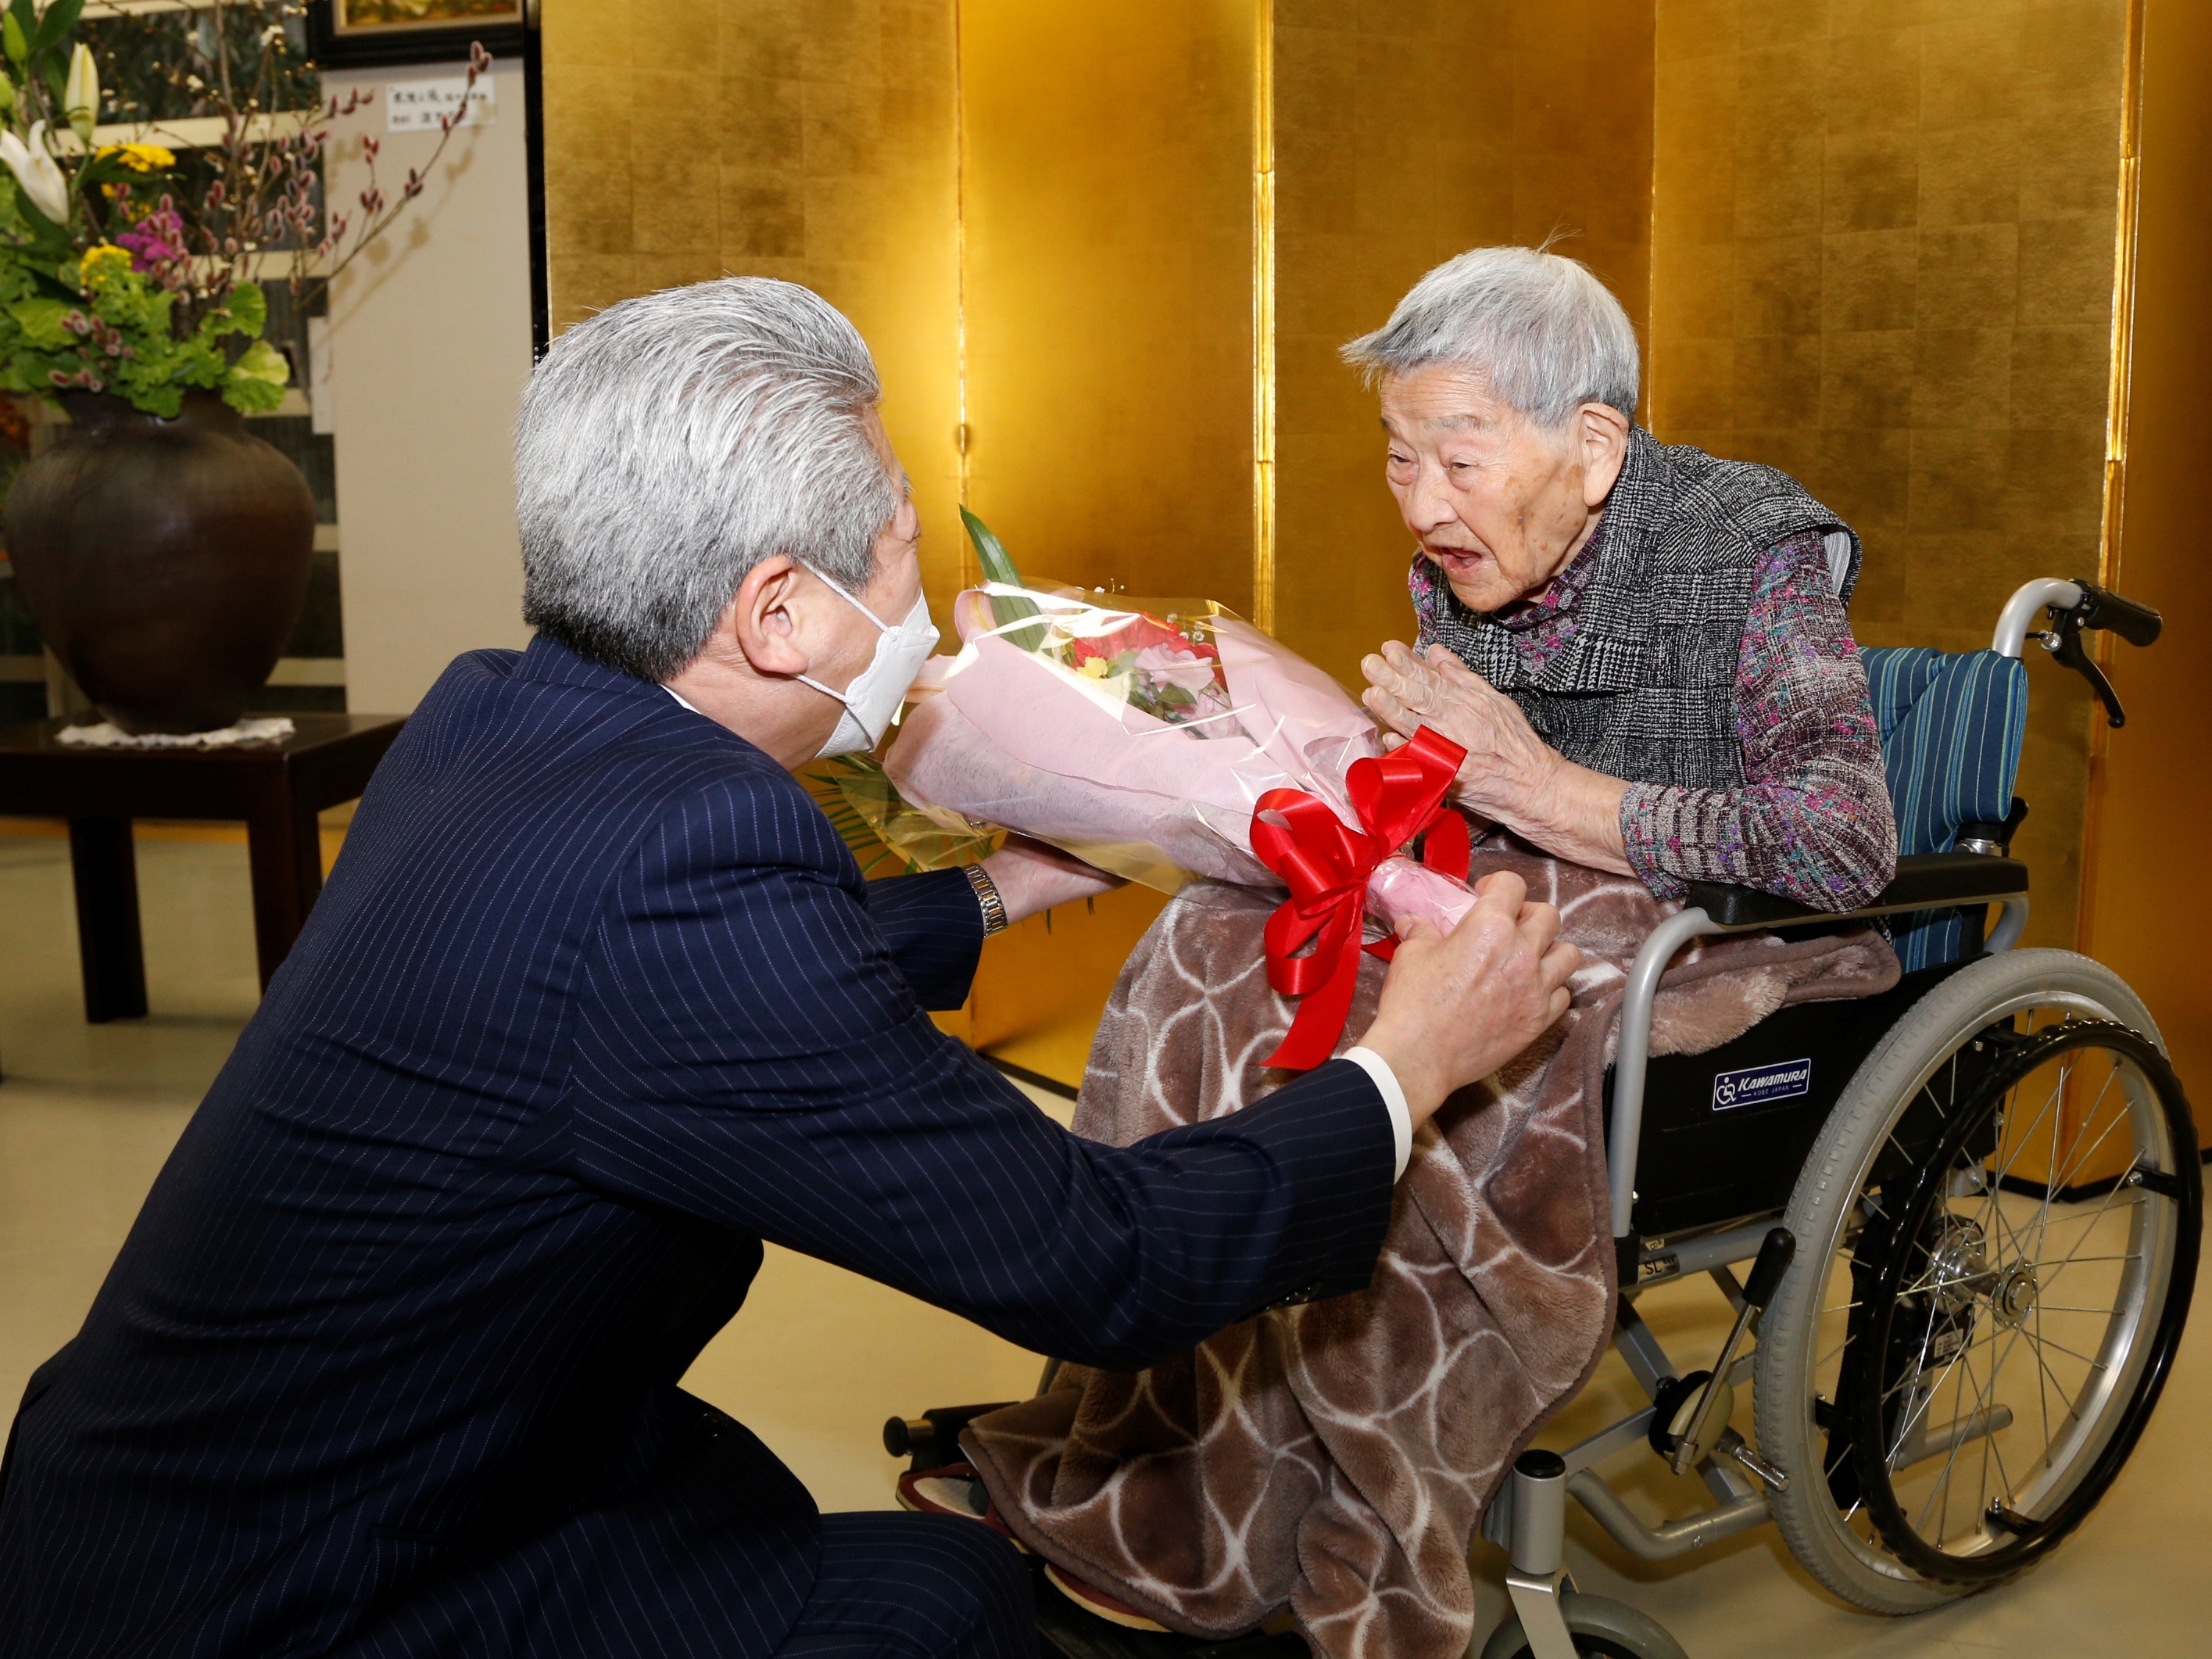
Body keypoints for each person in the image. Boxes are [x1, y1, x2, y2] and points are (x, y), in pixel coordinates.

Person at [0, 278, 1580, 1659]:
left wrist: (1007, 889)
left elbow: (638, 996)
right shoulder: (699, 871)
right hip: (293, 1591)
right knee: (944, 1598)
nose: (917, 602)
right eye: (894, 553)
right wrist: (1411, 1063)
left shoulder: (489, 714)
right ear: (776, 612)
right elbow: (1108, 1261)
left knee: (741, 1497)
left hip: (177, 1483)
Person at [1349, 245, 1899, 912]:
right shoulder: (1469, 555)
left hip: (1720, 957)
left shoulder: (1745, 547)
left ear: (1594, 448)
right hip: (1521, 920)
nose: (1423, 511)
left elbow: (1839, 845)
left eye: (1461, 463)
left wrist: (1541, 791)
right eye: (1401, 457)